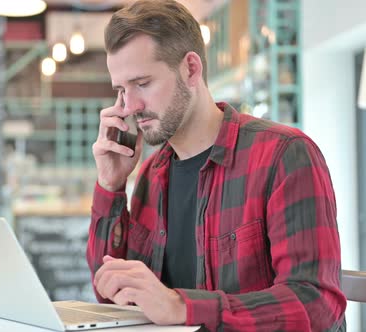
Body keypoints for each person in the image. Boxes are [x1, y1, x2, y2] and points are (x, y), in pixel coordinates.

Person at [87, 0, 347, 330]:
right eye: (121, 90)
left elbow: (316, 304)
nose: (131, 106)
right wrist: (111, 185)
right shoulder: (153, 174)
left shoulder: (284, 155)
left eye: (142, 83)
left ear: (191, 69)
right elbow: (111, 296)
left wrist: (181, 307)